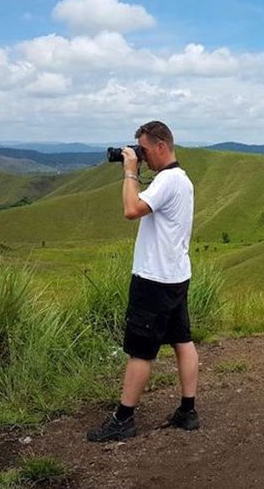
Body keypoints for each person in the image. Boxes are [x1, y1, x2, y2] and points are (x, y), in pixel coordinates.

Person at [87, 121, 199, 442]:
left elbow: (130, 209)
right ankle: (187, 410)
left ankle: (124, 418)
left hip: (154, 279)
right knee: (182, 340)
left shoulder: (166, 181)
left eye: (145, 150)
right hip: (176, 275)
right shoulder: (182, 179)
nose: (142, 156)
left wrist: (130, 171)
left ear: (161, 146)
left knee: (140, 350)